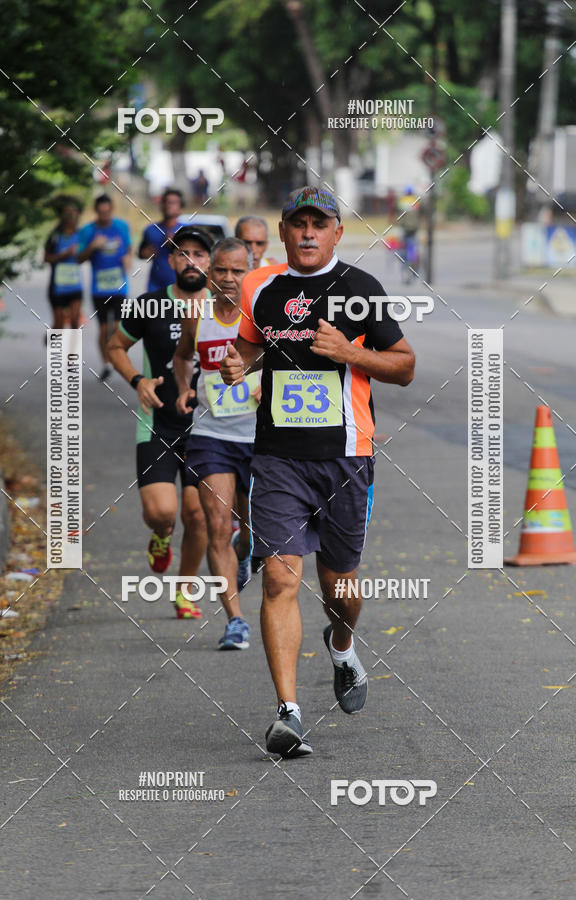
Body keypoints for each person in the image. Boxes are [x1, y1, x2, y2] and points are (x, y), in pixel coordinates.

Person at [220, 186, 415, 758]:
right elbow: (253, 346)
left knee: (341, 588)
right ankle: (288, 713)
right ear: (283, 233)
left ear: (336, 233)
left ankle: (343, 640)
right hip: (277, 457)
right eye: (297, 223)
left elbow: (404, 367)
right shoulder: (260, 286)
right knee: (280, 579)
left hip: (346, 457)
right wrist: (240, 361)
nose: (307, 233)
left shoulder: (361, 290)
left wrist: (350, 352)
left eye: (319, 223)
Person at [107, 227, 215, 618]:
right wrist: (138, 381)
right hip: (157, 424)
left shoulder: (222, 308)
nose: (191, 261)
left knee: (198, 513)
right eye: (183, 253)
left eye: (199, 254)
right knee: (163, 513)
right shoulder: (149, 305)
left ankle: (184, 590)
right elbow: (115, 346)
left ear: (210, 262)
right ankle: (160, 536)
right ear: (171, 261)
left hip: (207, 428)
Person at [173, 238, 256, 649]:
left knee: (255, 532)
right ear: (210, 273)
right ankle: (235, 621)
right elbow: (182, 356)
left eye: (237, 271)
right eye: (220, 270)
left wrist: (264, 386)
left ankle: (246, 552)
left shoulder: (263, 315)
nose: (227, 278)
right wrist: (185, 387)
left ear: (250, 272)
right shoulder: (197, 314)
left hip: (261, 437)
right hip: (211, 435)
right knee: (216, 525)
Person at [78, 194, 131, 380]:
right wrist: (92, 246)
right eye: (101, 212)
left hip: (119, 287)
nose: (104, 215)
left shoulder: (122, 227)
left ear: (111, 210)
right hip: (98, 289)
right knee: (103, 329)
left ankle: (115, 358)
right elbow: (78, 259)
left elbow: (128, 248)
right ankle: (106, 363)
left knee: (116, 327)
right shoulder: (88, 231)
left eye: (107, 211)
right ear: (96, 211)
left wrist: (127, 259)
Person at [44, 197, 83, 330]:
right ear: (62, 215)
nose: (72, 215)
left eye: (75, 212)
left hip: (75, 285)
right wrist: (63, 255)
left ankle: (71, 352)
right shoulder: (55, 236)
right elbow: (46, 258)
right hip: (57, 287)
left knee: (74, 321)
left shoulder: (81, 235)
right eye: (68, 212)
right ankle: (54, 342)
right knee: (59, 324)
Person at [138, 188, 185, 292]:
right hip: (155, 288)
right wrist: (146, 254)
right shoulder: (150, 230)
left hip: (181, 288)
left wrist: (176, 245)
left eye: (173, 202)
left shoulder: (187, 231)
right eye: (166, 201)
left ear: (180, 209)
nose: (168, 205)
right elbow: (141, 254)